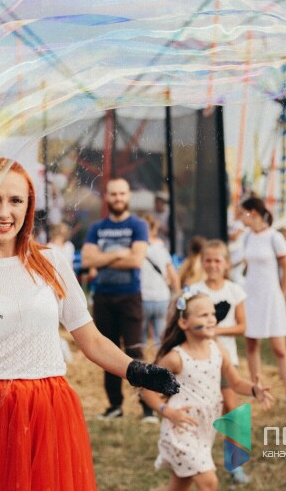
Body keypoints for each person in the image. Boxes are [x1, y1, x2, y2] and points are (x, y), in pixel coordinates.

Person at [0, 159, 179, 490]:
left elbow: (91, 340)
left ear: (29, 207)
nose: (4, 212)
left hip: (49, 406)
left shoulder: (51, 261)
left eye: (15, 200)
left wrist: (137, 371)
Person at [141, 290, 272, 491]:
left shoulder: (218, 350)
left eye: (212, 314)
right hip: (182, 428)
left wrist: (255, 390)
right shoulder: (176, 358)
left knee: (177, 488)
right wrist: (168, 412)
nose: (211, 319)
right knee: (209, 482)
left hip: (205, 429)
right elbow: (147, 391)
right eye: (203, 315)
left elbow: (236, 382)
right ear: (184, 323)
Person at [80, 177, 151, 421]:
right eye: (113, 194)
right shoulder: (97, 228)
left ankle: (147, 407)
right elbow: (87, 260)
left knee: (135, 351)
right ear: (106, 197)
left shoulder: (138, 225)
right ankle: (115, 406)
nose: (118, 198)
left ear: (128, 195)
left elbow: (136, 260)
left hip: (130, 296)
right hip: (103, 297)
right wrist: (120, 252)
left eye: (122, 193)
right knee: (107, 352)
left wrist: (103, 258)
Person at [187, 240, 250, 484]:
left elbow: (242, 326)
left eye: (217, 260)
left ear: (226, 263)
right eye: (208, 260)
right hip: (198, 360)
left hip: (226, 359)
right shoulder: (194, 290)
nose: (213, 265)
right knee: (199, 410)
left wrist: (215, 331)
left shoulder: (234, 291)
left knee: (231, 410)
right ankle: (195, 461)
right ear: (202, 263)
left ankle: (236, 466)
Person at [240, 197, 286, 410]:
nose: (241, 218)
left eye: (243, 213)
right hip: (251, 297)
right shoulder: (247, 237)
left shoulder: (275, 237)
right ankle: (256, 389)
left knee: (279, 348)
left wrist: (281, 294)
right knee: (251, 344)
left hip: (271, 297)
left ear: (254, 213)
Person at [140, 214, 179, 349]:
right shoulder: (162, 249)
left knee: (140, 339)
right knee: (162, 338)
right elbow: (173, 276)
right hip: (162, 298)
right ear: (154, 230)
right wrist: (177, 295)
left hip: (142, 298)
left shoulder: (136, 249)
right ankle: (162, 360)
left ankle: (141, 361)